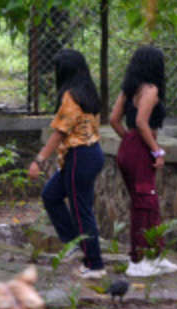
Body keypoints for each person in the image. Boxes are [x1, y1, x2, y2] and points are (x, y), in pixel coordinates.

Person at [28, 49, 106, 279]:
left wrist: (39, 160)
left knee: (81, 211)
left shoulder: (71, 96)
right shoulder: (88, 92)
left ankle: (95, 264)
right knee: (51, 195)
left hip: (80, 156)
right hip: (91, 154)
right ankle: (74, 243)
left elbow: (59, 133)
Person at [110, 46, 177, 277]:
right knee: (145, 203)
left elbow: (113, 120)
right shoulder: (151, 90)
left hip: (129, 146)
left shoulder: (129, 90)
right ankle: (138, 261)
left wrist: (129, 141)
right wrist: (155, 150)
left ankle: (156, 256)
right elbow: (141, 122)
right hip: (140, 148)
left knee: (148, 202)